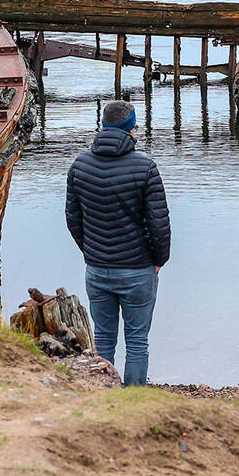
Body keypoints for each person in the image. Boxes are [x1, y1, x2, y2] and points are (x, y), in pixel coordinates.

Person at [65, 100, 170, 386]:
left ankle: (103, 394)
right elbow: (159, 223)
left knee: (103, 337)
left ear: (103, 127)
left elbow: (73, 219)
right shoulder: (146, 168)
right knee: (137, 341)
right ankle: (133, 399)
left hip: (98, 269)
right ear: (131, 130)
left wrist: (91, 252)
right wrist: (159, 260)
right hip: (138, 269)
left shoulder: (80, 166)